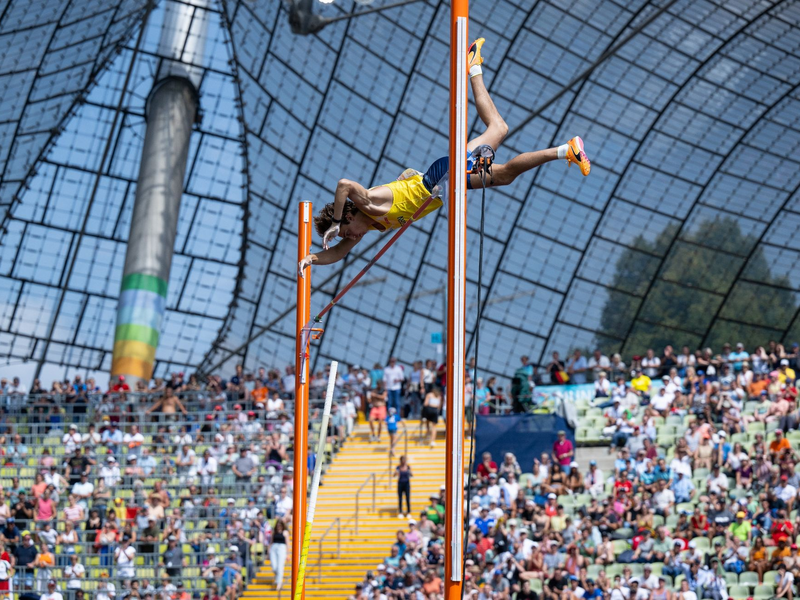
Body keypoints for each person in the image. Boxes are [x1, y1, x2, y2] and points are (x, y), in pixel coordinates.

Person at [298, 39, 591, 274]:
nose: (349, 238)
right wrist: (312, 257)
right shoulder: (367, 227)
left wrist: (335, 222)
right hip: (444, 186)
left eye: (346, 231)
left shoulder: (366, 203)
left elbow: (343, 185)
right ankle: (474, 66)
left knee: (500, 143)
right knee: (502, 152)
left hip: (442, 175)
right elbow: (335, 254)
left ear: (349, 215)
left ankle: (566, 148)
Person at [268, 520, 287, 591]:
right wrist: (268, 551)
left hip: (282, 548)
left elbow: (287, 543)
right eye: (278, 525)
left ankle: (279, 583)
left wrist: (288, 554)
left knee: (280, 567)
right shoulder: (274, 533)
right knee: (274, 567)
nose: (279, 527)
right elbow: (271, 542)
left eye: (280, 525)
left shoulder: (285, 532)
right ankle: (278, 578)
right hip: (274, 548)